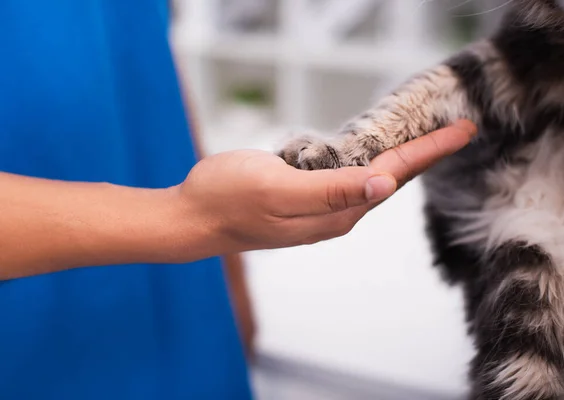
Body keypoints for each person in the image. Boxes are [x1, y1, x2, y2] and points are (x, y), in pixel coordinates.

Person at [0, 1, 477, 399]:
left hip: (186, 294)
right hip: (35, 320)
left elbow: (142, 49)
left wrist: (227, 269)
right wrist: (190, 219)